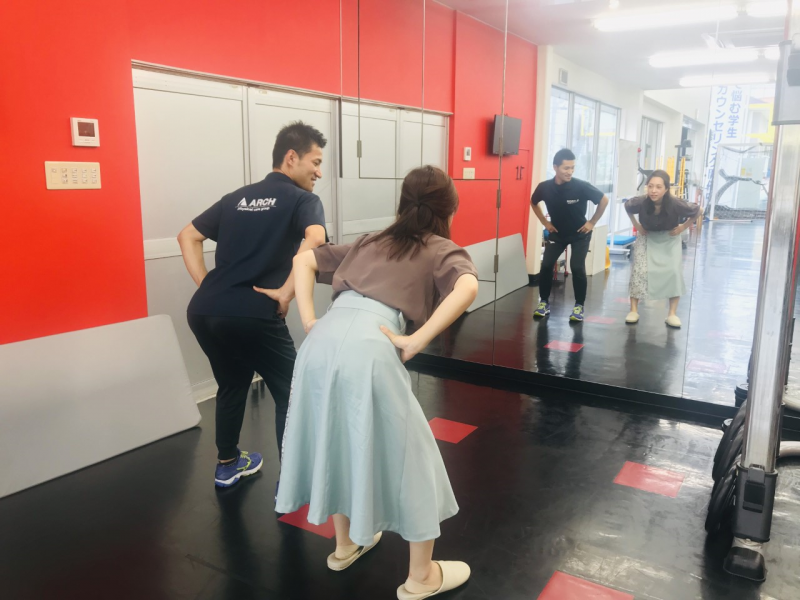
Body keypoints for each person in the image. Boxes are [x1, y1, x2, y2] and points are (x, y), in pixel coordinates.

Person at [272, 166, 479, 600]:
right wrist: (418, 339)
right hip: (371, 345)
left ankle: (346, 544)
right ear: (449, 210)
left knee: (337, 438)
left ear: (403, 203)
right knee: (415, 457)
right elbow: (467, 287)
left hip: (321, 343)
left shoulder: (369, 241)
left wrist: (309, 319)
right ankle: (421, 577)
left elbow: (303, 259)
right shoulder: (442, 249)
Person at [177, 122, 328, 488]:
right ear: (291, 158)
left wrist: (209, 287)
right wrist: (287, 292)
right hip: (254, 312)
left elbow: (187, 236)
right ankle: (292, 482)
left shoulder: (236, 198)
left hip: (204, 310)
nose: (319, 173)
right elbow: (316, 238)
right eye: (315, 162)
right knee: (291, 390)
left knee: (232, 383)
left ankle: (228, 463)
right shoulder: (303, 200)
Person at [531, 148, 609, 322]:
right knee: (546, 265)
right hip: (558, 234)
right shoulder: (545, 187)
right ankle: (544, 303)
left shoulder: (581, 186)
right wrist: (545, 222)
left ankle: (579, 306)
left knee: (577, 267)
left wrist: (592, 222)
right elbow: (533, 202)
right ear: (555, 167)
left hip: (580, 234)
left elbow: (604, 200)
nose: (570, 171)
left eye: (572, 167)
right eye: (566, 168)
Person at [624, 169, 701, 328]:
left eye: (658, 187)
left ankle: (672, 313)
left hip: (669, 239)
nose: (653, 190)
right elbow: (627, 206)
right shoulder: (641, 202)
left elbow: (698, 210)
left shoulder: (676, 203)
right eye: (650, 186)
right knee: (639, 271)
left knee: (673, 273)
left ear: (666, 189)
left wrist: (684, 227)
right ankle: (633, 310)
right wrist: (636, 225)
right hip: (647, 236)